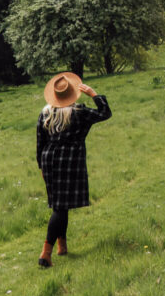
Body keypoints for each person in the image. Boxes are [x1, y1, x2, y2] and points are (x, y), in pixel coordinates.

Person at [36, 72, 112, 267]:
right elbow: (105, 113)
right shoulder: (80, 112)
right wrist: (94, 95)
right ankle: (46, 252)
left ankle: (62, 246)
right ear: (73, 93)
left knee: (60, 205)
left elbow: (40, 143)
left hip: (49, 160)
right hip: (70, 161)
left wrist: (41, 166)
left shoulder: (45, 113)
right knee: (61, 207)